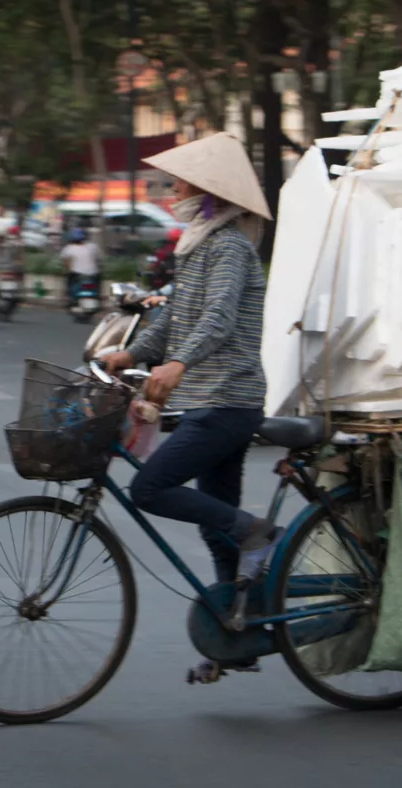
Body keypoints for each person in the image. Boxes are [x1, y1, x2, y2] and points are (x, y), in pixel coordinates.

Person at [97, 132, 274, 685]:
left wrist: (177, 365)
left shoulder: (230, 248)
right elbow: (175, 317)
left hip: (230, 398)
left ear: (207, 191)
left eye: (181, 181)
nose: (172, 188)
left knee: (150, 489)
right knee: (215, 527)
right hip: (207, 400)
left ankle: (257, 532)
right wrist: (135, 351)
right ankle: (237, 634)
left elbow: (217, 319)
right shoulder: (198, 244)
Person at [59, 228, 100, 308]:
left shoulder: (68, 248)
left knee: (68, 281)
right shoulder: (92, 246)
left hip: (77, 275)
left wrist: (65, 270)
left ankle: (69, 297)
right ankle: (98, 296)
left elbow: (65, 264)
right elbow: (97, 260)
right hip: (93, 274)